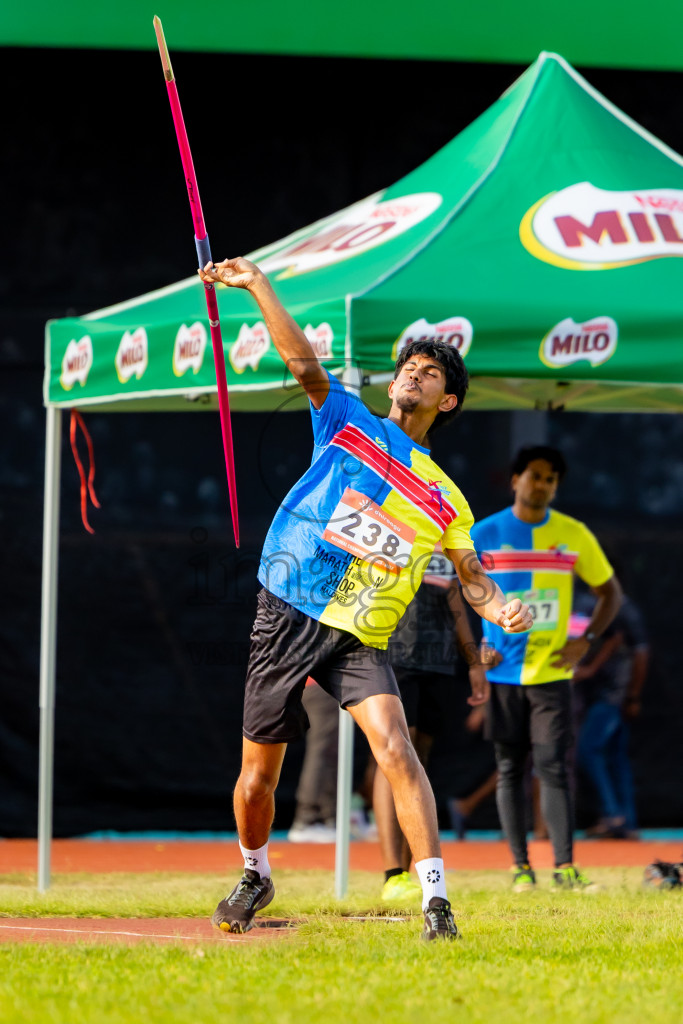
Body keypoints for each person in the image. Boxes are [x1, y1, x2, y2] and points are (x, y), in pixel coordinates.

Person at [199, 257, 532, 941]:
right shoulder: (345, 418)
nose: (412, 372)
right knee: (257, 780)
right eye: (408, 364)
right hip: (287, 610)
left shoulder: (444, 495)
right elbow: (300, 364)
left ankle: (435, 902)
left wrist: (494, 605)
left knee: (395, 748)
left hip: (356, 633)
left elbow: (468, 573)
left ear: (447, 403)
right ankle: (256, 871)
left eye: (429, 372)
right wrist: (259, 284)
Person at [470, 446, 622, 892]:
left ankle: (565, 869)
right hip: (501, 674)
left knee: (554, 767)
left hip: (553, 673)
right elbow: (462, 591)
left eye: (551, 479)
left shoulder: (573, 533)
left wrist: (585, 642)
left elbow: (611, 593)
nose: (542, 485)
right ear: (515, 479)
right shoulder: (484, 532)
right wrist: (477, 647)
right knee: (510, 767)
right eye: (534, 476)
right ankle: (521, 869)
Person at [377, 553, 489, 901]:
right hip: (393, 657)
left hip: (438, 664)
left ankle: (411, 874)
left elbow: (456, 602)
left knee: (419, 759)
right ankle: (392, 874)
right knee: (396, 751)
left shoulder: (449, 542)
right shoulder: (389, 525)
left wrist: (473, 662)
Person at [574, 589, 649, 839]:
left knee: (588, 750)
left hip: (612, 695)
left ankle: (614, 815)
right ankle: (627, 821)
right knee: (616, 757)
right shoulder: (592, 603)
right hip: (605, 694)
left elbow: (635, 649)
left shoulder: (618, 606)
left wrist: (632, 695)